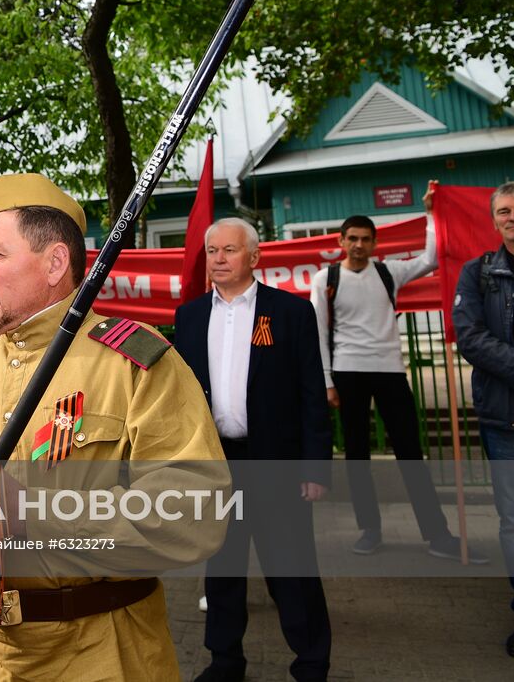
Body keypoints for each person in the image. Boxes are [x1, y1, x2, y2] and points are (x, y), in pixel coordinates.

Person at [0, 173, 227, 680]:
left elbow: (195, 515)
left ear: (55, 263)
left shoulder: (136, 362)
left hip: (98, 651)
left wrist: (32, 518)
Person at [176, 217, 332, 682]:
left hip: (276, 464)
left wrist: (315, 467)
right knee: (222, 568)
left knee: (292, 569)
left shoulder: (290, 313)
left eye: (229, 250)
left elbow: (311, 395)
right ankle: (225, 662)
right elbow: (181, 397)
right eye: (213, 251)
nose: (219, 259)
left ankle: (311, 662)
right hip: (217, 464)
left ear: (254, 256)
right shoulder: (189, 317)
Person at [309, 186, 482, 562]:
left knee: (410, 454)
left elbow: (433, 257)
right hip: (348, 373)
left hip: (390, 371)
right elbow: (318, 333)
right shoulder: (326, 279)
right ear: (340, 241)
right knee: (357, 455)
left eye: (365, 239)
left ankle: (437, 535)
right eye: (352, 238)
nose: (358, 244)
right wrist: (327, 382)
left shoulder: (390, 272)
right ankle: (369, 530)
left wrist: (433, 212)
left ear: (374, 243)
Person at [454, 181, 514, 659]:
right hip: (508, 419)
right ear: (494, 219)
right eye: (504, 211)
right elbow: (470, 338)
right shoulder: (478, 273)